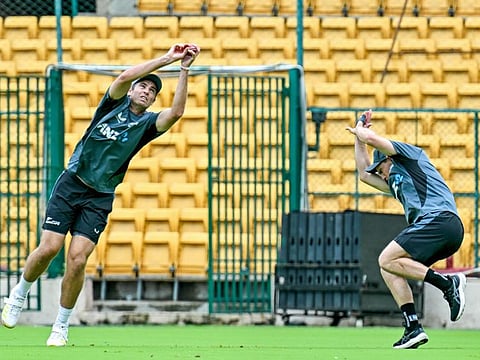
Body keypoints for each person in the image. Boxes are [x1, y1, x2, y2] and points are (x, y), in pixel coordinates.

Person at [1, 43, 201, 346]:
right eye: (143, 86)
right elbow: (123, 78)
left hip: (100, 195)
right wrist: (167, 59)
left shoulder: (147, 124)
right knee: (49, 248)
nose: (147, 91)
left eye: (152, 91)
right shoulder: (112, 105)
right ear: (133, 91)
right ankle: (19, 294)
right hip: (72, 183)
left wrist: (184, 68)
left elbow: (176, 112)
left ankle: (61, 325)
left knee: (78, 259)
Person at [346, 109, 466, 349]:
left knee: (385, 257)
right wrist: (358, 141)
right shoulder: (396, 183)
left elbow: (372, 140)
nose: (380, 173)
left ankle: (448, 284)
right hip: (438, 229)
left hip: (441, 220)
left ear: (390, 158)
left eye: (381, 167)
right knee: (390, 268)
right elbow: (363, 174)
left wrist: (361, 130)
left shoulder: (410, 157)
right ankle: (413, 328)